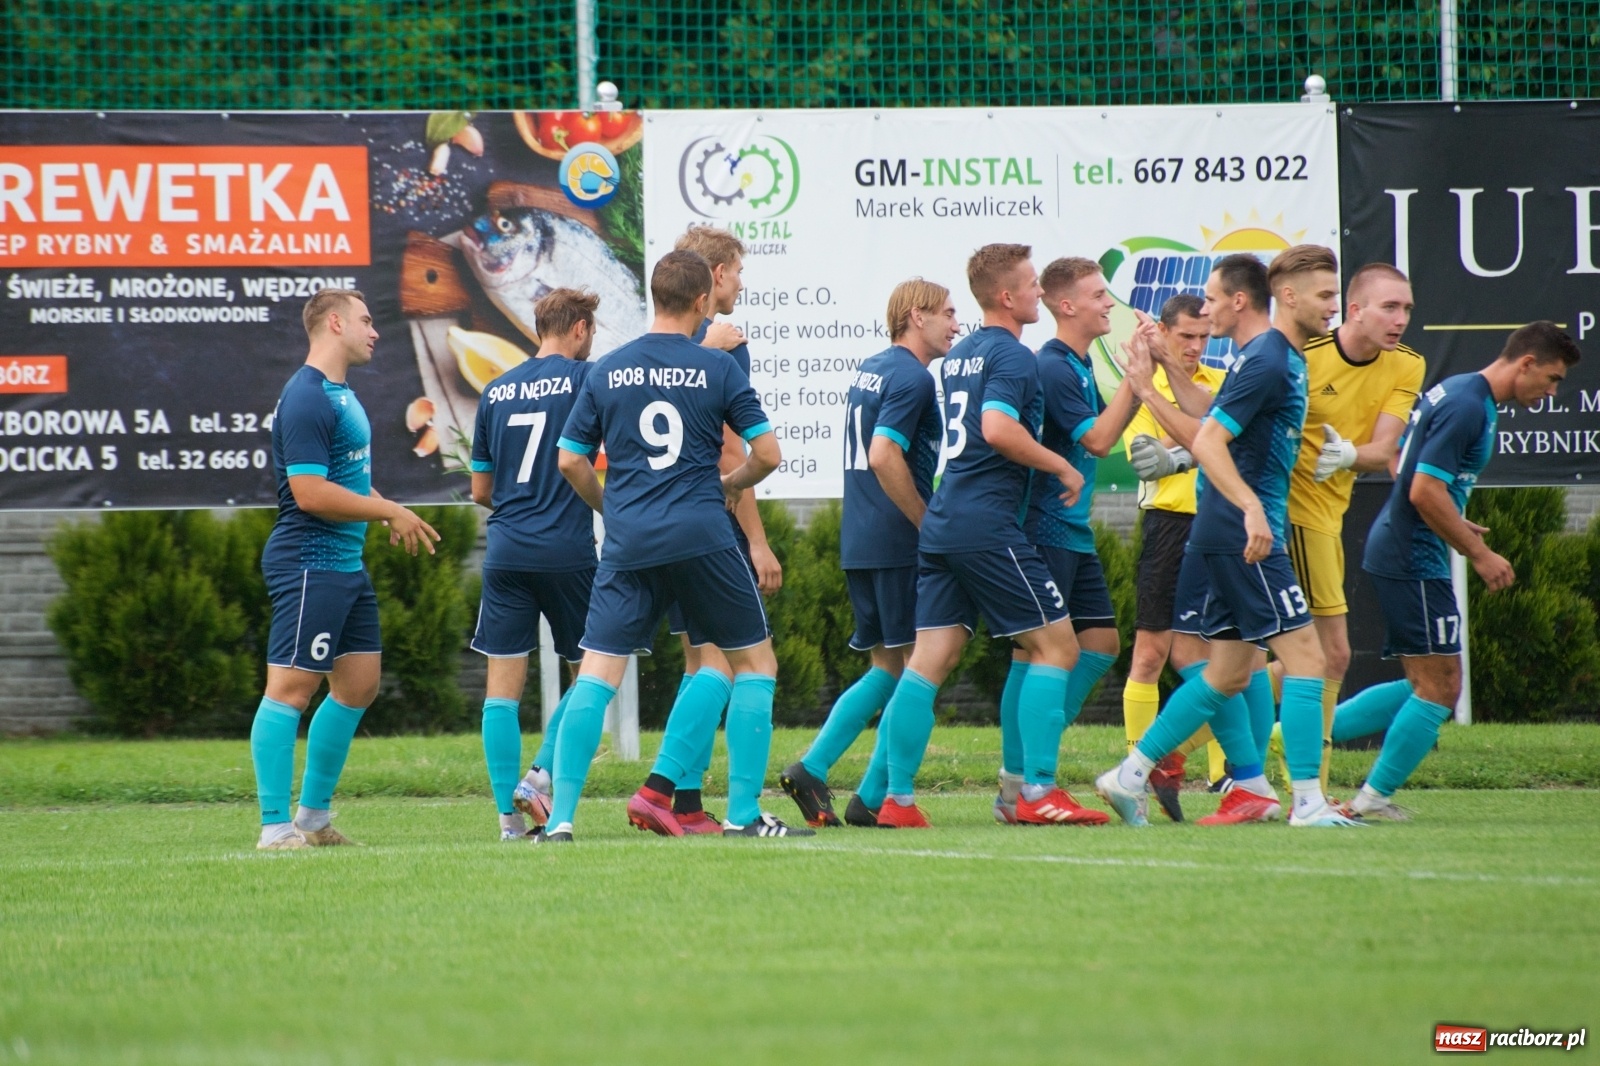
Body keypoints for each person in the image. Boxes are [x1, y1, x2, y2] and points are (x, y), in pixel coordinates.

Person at [1096, 246, 1359, 828]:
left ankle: (1129, 774)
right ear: (1282, 297)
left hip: (1227, 528)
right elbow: (1212, 441)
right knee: (1307, 657)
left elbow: (1214, 416)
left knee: (1228, 672)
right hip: (1244, 530)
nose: (1333, 307)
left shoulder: (1262, 356)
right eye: (1324, 296)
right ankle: (1309, 801)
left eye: (1211, 299)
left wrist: (1158, 379)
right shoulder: (1268, 358)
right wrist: (1252, 509)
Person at [550, 249, 808, 841]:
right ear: (700, 302)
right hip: (702, 535)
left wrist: (609, 507)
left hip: (631, 539)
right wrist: (730, 486)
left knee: (596, 674)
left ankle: (561, 820)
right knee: (755, 663)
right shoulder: (717, 368)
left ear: (654, 297)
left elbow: (570, 460)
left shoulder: (605, 370)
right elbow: (766, 455)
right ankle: (744, 814)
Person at [865, 243, 1093, 829]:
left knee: (929, 660)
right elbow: (996, 428)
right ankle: (1039, 791)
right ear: (1006, 296)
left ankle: (898, 800)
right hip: (986, 523)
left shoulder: (959, 354)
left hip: (945, 518)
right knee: (1058, 647)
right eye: (1032, 285)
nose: (1039, 293)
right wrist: (1060, 466)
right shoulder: (1014, 356)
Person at [1334, 322, 1579, 820]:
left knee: (1421, 684)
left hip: (1406, 547)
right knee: (1440, 689)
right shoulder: (1470, 406)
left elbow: (1406, 466)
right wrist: (1478, 553)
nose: (1552, 391)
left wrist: (1449, 512)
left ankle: (1290, 737)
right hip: (1412, 555)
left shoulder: (1461, 389)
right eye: (1551, 379)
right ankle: (1369, 801)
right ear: (1526, 363)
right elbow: (1423, 490)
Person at [250, 289, 441, 850]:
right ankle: (273, 828)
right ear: (334, 323)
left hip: (344, 565)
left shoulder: (341, 394)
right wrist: (389, 509)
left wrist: (379, 505)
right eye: (365, 319)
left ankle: (312, 822)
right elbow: (308, 494)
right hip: (309, 563)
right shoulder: (308, 396)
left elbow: (344, 478)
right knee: (289, 689)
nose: (374, 330)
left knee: (359, 685)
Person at [778, 278, 956, 829]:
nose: (956, 324)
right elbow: (883, 456)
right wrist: (927, 522)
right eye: (948, 312)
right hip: (899, 541)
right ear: (916, 315)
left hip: (862, 538)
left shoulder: (873, 367)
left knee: (889, 668)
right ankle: (870, 788)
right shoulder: (912, 376)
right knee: (921, 671)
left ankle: (853, 790)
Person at [627, 226, 783, 835]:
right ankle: (677, 794)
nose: (743, 282)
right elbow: (731, 454)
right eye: (738, 271)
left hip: (646, 524)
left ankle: (686, 805)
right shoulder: (722, 347)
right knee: (746, 662)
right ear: (714, 277)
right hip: (704, 527)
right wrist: (758, 540)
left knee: (697, 662)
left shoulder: (649, 346)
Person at [997, 257, 1149, 825]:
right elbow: (1103, 440)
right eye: (1098, 294)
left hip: (1072, 533)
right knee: (1037, 653)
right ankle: (1027, 787)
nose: (1110, 303)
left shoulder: (1078, 364)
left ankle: (1027, 770)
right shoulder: (1056, 366)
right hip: (1046, 528)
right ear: (1068, 306)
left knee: (1102, 645)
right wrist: (1138, 384)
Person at [1267, 264, 1425, 794]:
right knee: (1328, 654)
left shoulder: (1407, 366)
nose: (1400, 319)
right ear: (1353, 310)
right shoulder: (1301, 357)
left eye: (1405, 308)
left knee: (1252, 662)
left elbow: (1385, 449)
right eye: (1389, 307)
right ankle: (1311, 788)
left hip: (1327, 516)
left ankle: (1176, 753)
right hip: (1291, 513)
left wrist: (1351, 454)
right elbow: (1239, 420)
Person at [467, 288, 600, 841]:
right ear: (579, 329)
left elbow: (480, 489)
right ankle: (543, 774)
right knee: (593, 671)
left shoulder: (495, 390)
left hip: (506, 551)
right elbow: (595, 463)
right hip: (567, 550)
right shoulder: (585, 381)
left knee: (501, 690)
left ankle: (507, 821)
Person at [1117, 294, 1228, 819]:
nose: (1196, 346)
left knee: (1215, 660)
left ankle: (1222, 773)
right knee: (1150, 656)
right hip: (1167, 527)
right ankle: (1134, 772)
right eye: (1186, 335)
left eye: (1204, 337)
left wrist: (1181, 442)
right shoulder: (1143, 385)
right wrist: (1182, 442)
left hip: (1217, 525)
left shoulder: (1222, 381)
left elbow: (1216, 437)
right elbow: (1146, 462)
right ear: (1162, 332)